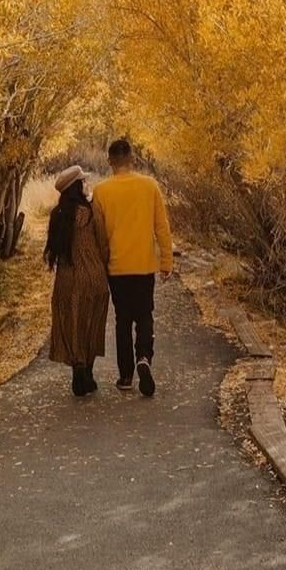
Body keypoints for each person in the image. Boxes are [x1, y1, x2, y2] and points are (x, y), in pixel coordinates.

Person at [92, 139, 173, 397]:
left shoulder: (101, 192)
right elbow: (162, 227)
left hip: (117, 268)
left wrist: (99, 265)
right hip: (144, 265)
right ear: (133, 159)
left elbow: (99, 235)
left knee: (123, 320)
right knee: (145, 314)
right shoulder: (149, 186)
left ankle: (126, 375)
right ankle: (144, 357)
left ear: (109, 162)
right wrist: (166, 261)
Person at [45, 165, 110, 397]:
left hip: (67, 279)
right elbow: (103, 243)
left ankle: (77, 370)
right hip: (93, 276)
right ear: (78, 186)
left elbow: (54, 250)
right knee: (91, 322)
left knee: (71, 323)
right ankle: (88, 372)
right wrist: (104, 265)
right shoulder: (91, 212)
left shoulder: (57, 215)